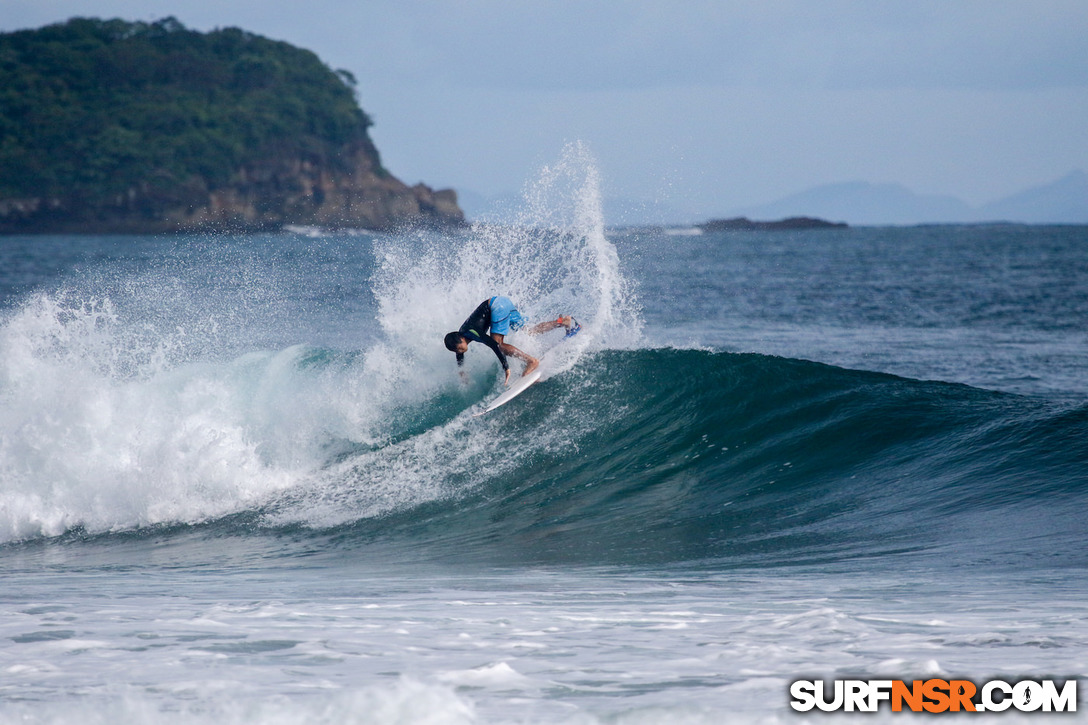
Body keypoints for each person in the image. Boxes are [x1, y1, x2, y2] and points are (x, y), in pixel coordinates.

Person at [444, 296, 576, 385]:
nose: (459, 351)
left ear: (461, 339)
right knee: (528, 331)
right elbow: (459, 353)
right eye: (456, 350)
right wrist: (461, 370)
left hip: (496, 307)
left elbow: (494, 345)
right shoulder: (461, 336)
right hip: (501, 302)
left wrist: (506, 367)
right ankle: (563, 322)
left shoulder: (472, 331)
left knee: (499, 344)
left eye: (459, 347)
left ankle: (531, 361)